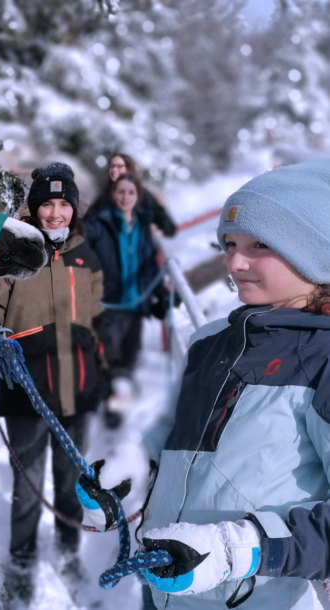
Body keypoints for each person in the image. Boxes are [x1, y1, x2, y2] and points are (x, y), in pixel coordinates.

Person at [79, 160, 330, 610]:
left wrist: (242, 548)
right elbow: (170, 438)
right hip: (164, 588)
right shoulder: (210, 342)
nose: (235, 262)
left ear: (314, 250)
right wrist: (136, 472)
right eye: (229, 243)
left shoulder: (322, 358)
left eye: (260, 245)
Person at [0, 163, 105, 607]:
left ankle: (70, 552)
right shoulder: (13, 252)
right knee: (28, 482)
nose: (55, 213)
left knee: (71, 477)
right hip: (27, 389)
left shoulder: (86, 254)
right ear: (34, 208)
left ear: (73, 208)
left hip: (79, 386)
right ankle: (20, 560)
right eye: (47, 204)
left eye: (63, 204)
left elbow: (99, 315)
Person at [84, 172, 169, 428]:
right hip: (106, 305)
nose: (126, 197)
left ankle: (115, 406)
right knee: (108, 357)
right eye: (121, 192)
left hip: (135, 305)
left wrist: (161, 295)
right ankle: (103, 403)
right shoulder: (98, 225)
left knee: (129, 357)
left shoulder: (142, 227)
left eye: (131, 193)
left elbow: (150, 265)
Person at [86, 153, 177, 237]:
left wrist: (152, 227)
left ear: (129, 170)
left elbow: (168, 226)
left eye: (120, 167)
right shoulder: (104, 197)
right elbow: (87, 223)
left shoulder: (144, 195)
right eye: (112, 166)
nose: (115, 170)